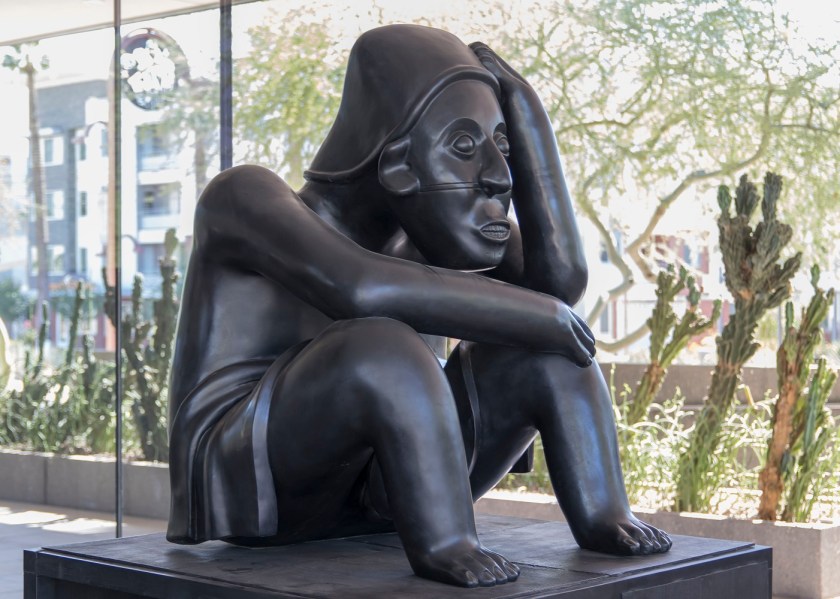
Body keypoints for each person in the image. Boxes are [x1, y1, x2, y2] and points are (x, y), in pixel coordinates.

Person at [166, 24, 671, 588]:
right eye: (464, 148)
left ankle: (604, 515)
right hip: (258, 482)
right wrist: (546, 315)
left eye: (502, 149)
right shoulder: (243, 198)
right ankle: (446, 542)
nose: (497, 177)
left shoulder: (426, 235)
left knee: (545, 346)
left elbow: (558, 285)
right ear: (398, 165)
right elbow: (359, 289)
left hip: (391, 490)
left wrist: (531, 121)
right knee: (382, 345)